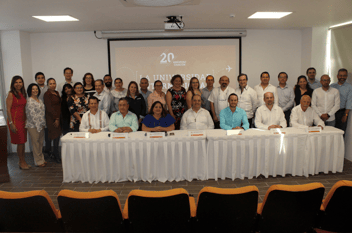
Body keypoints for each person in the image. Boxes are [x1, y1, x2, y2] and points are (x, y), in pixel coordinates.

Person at [6, 76, 30, 169]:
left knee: (23, 142)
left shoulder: (23, 93)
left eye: (20, 82)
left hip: (23, 120)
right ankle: (21, 162)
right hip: (15, 121)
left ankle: (22, 161)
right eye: (16, 82)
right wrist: (11, 123)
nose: (18, 84)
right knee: (20, 142)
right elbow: (8, 110)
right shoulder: (11, 94)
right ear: (13, 84)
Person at [25, 83, 46, 167]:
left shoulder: (39, 100)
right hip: (33, 126)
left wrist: (43, 124)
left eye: (36, 89)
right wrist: (38, 126)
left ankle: (42, 159)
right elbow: (32, 115)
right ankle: (38, 161)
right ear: (30, 90)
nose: (35, 90)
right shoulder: (29, 101)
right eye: (33, 89)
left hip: (41, 125)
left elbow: (42, 113)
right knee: (36, 143)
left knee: (40, 143)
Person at [44, 78, 62, 163]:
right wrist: (56, 119)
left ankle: (55, 153)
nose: (52, 85)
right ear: (47, 85)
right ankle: (56, 155)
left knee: (57, 137)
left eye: (54, 83)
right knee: (55, 136)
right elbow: (49, 108)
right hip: (52, 119)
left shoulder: (57, 93)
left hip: (58, 117)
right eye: (50, 84)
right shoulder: (47, 94)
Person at [331, 68, 352, 133]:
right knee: (331, 130)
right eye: (340, 75)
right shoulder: (332, 86)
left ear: (346, 76)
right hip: (332, 112)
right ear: (337, 76)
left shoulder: (349, 87)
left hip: (342, 112)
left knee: (341, 132)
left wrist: (345, 115)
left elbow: (349, 101)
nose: (342, 77)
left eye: (344, 75)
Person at [35, 72, 50, 156]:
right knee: (39, 136)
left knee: (47, 134)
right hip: (37, 115)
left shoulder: (48, 88)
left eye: (42, 77)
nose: (40, 79)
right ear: (36, 80)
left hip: (47, 114)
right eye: (38, 78)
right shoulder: (34, 89)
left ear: (44, 79)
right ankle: (39, 153)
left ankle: (47, 151)